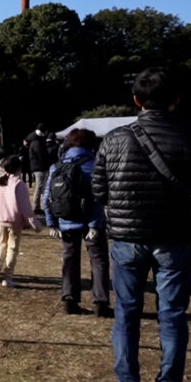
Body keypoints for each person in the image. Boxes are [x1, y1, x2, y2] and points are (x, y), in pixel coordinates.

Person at [94, 67, 191, 382]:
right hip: (174, 238)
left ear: (136, 100)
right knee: (173, 315)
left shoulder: (114, 138)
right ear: (176, 101)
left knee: (127, 312)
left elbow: (99, 188)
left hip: (126, 238)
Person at [44, 129, 111, 317]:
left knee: (69, 259)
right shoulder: (94, 165)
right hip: (91, 221)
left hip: (66, 220)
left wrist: (52, 222)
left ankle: (69, 298)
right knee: (99, 260)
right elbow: (98, 197)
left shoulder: (56, 166)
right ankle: (100, 302)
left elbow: (47, 197)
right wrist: (95, 224)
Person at [0, 155, 41, 287]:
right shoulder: (19, 185)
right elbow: (25, 208)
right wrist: (35, 224)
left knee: (2, 244)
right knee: (12, 248)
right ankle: (8, 276)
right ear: (19, 169)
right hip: (14, 221)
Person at [26, 124, 52, 214]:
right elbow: (41, 156)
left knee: (40, 186)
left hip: (36, 167)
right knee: (39, 186)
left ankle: (39, 206)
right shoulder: (38, 142)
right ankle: (36, 206)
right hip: (39, 168)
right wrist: (45, 166)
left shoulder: (34, 140)